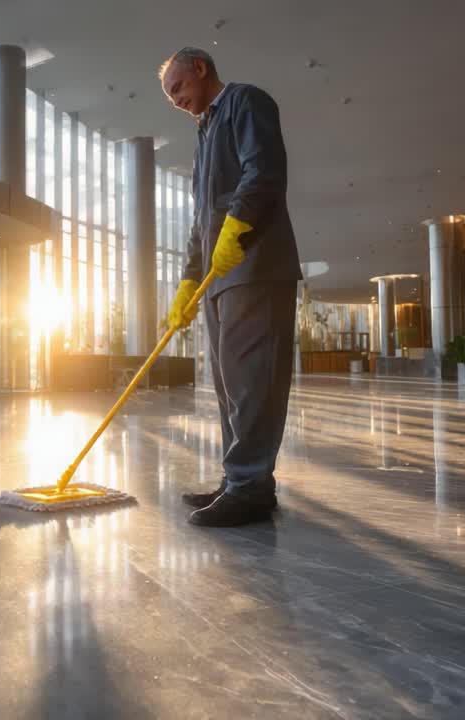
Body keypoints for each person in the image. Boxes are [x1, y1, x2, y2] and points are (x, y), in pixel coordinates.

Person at [159, 47, 302, 527]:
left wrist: (237, 226)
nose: (175, 99)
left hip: (256, 265)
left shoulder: (246, 102)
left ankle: (249, 486)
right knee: (230, 386)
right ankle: (240, 480)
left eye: (177, 87)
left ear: (200, 68)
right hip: (220, 278)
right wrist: (187, 281)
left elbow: (263, 171)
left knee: (253, 380)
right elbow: (201, 223)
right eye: (169, 96)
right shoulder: (204, 137)